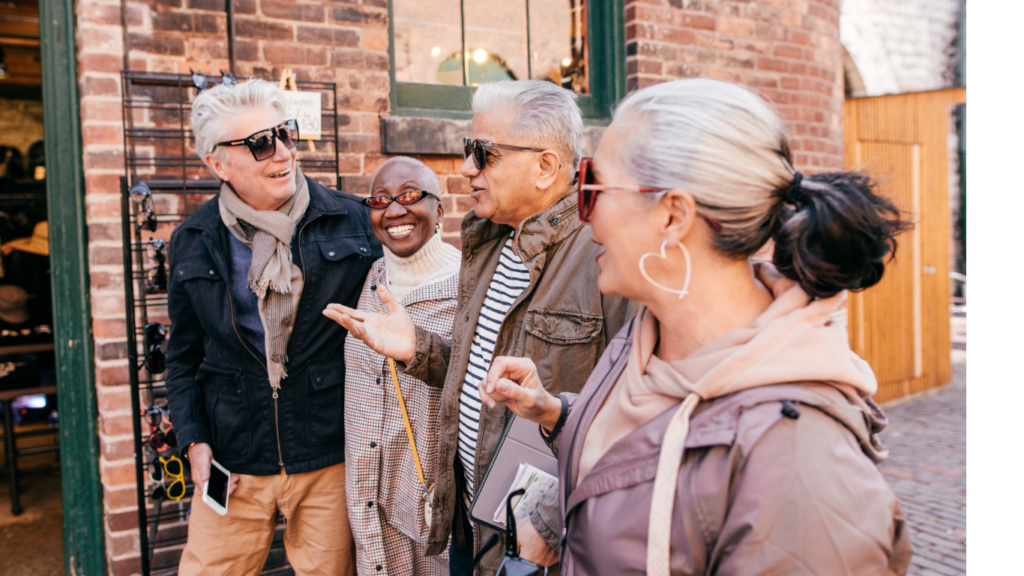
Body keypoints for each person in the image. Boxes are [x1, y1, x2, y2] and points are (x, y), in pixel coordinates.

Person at [478, 78, 914, 575]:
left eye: (594, 186)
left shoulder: (796, 465)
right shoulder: (644, 337)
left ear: (672, 216)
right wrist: (558, 413)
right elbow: (649, 440)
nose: (587, 217)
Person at [325, 80, 635, 575]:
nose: (467, 167)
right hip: (472, 529)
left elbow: (634, 419)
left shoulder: (605, 254)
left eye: (482, 153)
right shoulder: (489, 244)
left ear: (545, 166)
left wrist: (554, 526)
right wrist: (417, 350)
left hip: (548, 547)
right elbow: (490, 386)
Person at [165, 78, 382, 576]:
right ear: (218, 163)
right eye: (261, 143)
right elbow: (182, 359)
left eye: (286, 133)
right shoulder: (193, 241)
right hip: (233, 458)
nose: (282, 152)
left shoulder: (351, 222)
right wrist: (193, 440)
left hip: (326, 453)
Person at [338, 156, 461, 575]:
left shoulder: (468, 288)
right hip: (369, 505)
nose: (394, 210)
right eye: (380, 199)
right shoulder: (371, 279)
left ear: (440, 210)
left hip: (430, 515)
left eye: (410, 195)